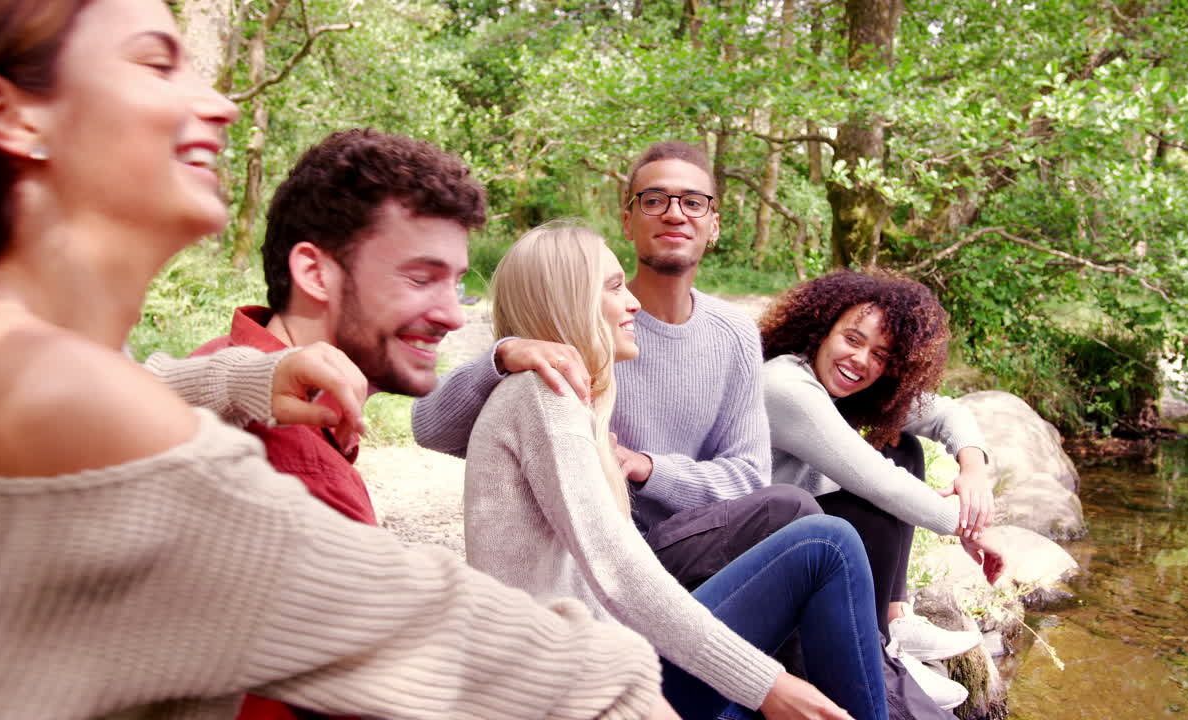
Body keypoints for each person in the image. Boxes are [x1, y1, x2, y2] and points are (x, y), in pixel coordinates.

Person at [0, 1, 673, 717]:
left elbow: (133, 382)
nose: (218, 103)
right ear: (14, 116)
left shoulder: (45, 363)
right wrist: (624, 688)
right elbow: (428, 627)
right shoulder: (70, 401)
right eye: (155, 62)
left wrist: (246, 374)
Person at [463, 221, 888, 720]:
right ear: (569, 299)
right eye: (614, 286)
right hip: (569, 690)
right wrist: (767, 683)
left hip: (602, 664)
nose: (633, 303)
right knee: (825, 545)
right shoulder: (541, 398)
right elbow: (618, 569)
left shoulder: (567, 401)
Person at [414, 141, 819, 590]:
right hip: (604, 561)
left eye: (693, 202)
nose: (674, 213)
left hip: (697, 545)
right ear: (628, 222)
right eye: (654, 200)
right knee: (798, 516)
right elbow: (430, 427)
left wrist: (645, 467)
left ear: (714, 225)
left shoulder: (735, 334)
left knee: (811, 526)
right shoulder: (589, 320)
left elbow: (748, 476)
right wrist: (502, 356)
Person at [188, 128, 494, 719]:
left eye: (457, 283)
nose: (454, 315)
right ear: (316, 272)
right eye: (420, 277)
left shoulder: (219, 363)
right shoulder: (290, 466)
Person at [759, 270, 1008, 710]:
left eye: (880, 354)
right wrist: (965, 526)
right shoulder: (786, 384)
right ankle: (876, 658)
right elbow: (878, 481)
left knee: (903, 444)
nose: (861, 361)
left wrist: (972, 468)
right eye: (852, 340)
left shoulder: (842, 383)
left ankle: (894, 621)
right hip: (756, 549)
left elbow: (945, 412)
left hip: (797, 531)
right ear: (821, 330)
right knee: (869, 507)